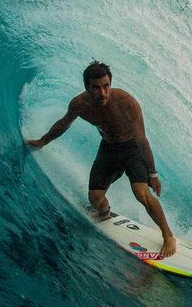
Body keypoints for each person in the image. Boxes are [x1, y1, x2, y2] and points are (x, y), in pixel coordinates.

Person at [25, 61, 177, 257]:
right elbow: (64, 124)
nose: (102, 92)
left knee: (141, 193)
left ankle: (168, 236)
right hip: (109, 149)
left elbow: (141, 139)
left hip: (132, 149)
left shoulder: (126, 102)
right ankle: (104, 213)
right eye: (96, 88)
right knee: (95, 198)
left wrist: (153, 174)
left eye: (106, 86)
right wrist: (42, 141)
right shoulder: (80, 105)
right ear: (87, 87)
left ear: (110, 83)